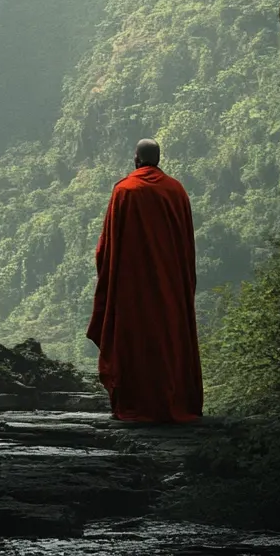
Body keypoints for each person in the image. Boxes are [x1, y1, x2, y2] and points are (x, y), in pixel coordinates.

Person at [85, 138, 203, 423]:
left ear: (136, 159)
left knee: (135, 342)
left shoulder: (125, 190)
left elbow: (106, 249)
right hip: (171, 286)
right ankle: (174, 401)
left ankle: (137, 404)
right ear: (158, 158)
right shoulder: (176, 191)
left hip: (132, 289)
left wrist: (110, 278)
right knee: (170, 339)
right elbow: (187, 245)